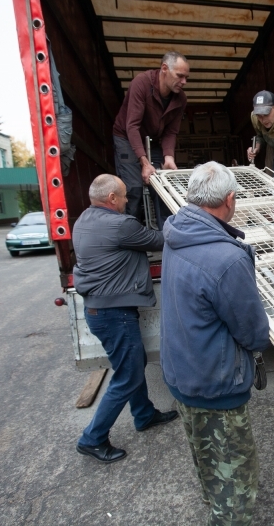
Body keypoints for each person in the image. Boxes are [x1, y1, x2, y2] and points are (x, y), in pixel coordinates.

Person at [160, 162, 269, 525]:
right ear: (230, 199)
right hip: (216, 383)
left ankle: (214, 503)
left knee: (206, 456)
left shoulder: (176, 233)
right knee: (236, 475)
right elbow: (252, 333)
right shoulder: (227, 258)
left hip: (183, 374)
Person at [73, 174, 178, 463]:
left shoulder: (83, 220)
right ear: (112, 199)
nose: (127, 201)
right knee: (128, 374)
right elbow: (161, 239)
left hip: (100, 311)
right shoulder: (120, 225)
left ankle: (144, 415)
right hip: (113, 314)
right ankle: (92, 438)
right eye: (125, 196)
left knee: (131, 365)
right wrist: (182, 217)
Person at [112, 51, 189, 228]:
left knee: (163, 187)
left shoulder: (181, 99)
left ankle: (167, 236)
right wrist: (144, 163)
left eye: (186, 77)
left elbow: (171, 131)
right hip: (125, 137)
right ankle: (132, 236)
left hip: (153, 140)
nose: (184, 82)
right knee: (133, 189)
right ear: (164, 69)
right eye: (180, 76)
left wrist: (168, 157)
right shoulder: (141, 83)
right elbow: (132, 126)